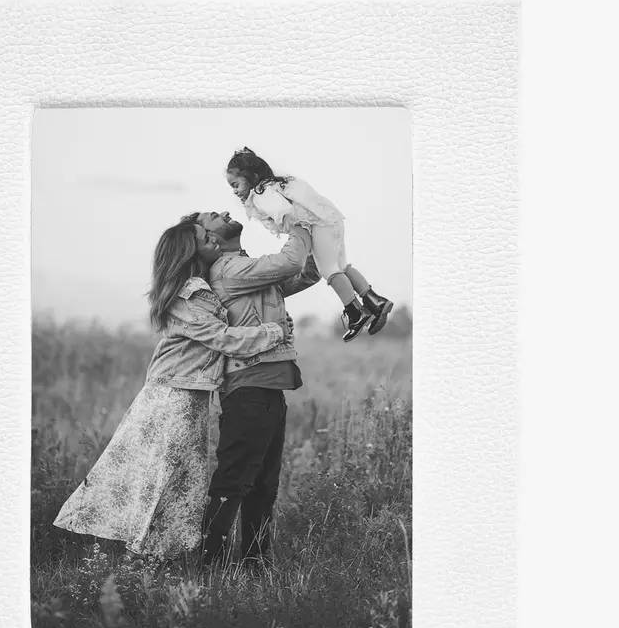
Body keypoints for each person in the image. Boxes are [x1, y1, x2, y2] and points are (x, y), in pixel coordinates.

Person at [52, 215, 292, 561]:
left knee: (178, 477)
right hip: (172, 394)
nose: (213, 240)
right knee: (160, 473)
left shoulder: (206, 285)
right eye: (205, 238)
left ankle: (162, 551)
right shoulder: (188, 294)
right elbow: (222, 338)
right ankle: (145, 550)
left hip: (188, 394)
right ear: (189, 251)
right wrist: (275, 331)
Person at [193, 210, 321, 570]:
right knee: (233, 481)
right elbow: (291, 260)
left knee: (263, 485)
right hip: (249, 385)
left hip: (267, 386)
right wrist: (299, 217)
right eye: (211, 219)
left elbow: (306, 271)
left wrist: (326, 238)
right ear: (211, 240)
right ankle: (211, 567)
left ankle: (255, 563)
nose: (223, 212)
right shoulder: (229, 270)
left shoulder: (248, 270)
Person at [225, 146, 394, 342]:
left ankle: (355, 311)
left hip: (317, 225)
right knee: (342, 266)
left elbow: (282, 211)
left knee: (329, 270)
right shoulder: (279, 184)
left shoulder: (260, 194)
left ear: (252, 177)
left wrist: (293, 232)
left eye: (235, 184)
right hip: (331, 218)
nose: (235, 191)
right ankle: (375, 301)